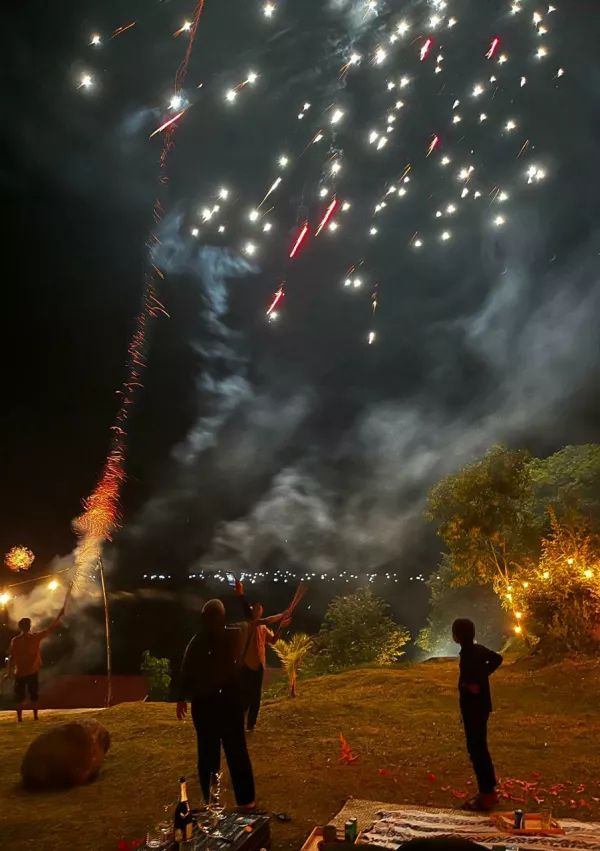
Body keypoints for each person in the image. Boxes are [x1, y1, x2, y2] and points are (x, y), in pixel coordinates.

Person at [176, 583, 256, 808]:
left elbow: (186, 671)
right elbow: (250, 620)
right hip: (230, 706)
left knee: (208, 758)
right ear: (222, 616)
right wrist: (240, 597)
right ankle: (246, 802)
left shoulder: (196, 642)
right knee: (237, 753)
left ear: (204, 617)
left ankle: (211, 803)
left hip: (206, 709)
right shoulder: (235, 635)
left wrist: (181, 698)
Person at [452, 618, 503, 811]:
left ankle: (487, 795)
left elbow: (472, 679)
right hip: (480, 707)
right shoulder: (477, 650)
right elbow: (498, 659)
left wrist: (474, 683)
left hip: (474, 707)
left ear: (456, 636)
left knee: (477, 750)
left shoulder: (469, 654)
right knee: (479, 748)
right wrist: (483, 675)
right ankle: (489, 792)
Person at [4, 606, 66, 722]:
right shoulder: (35, 637)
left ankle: (20, 719)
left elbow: (12, 657)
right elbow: (51, 628)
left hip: (20, 673)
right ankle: (35, 717)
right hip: (31, 672)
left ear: (20, 627)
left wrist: (9, 672)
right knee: (33, 696)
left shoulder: (16, 640)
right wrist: (59, 616)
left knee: (21, 697)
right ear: (29, 626)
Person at [241, 604, 290, 733]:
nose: (257, 610)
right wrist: (282, 615)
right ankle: (240, 721)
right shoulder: (250, 624)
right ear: (251, 611)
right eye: (255, 608)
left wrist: (281, 627)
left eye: (259, 609)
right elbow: (267, 620)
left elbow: (273, 641)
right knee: (246, 695)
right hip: (246, 665)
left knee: (256, 697)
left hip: (259, 665)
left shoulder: (262, 628)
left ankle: (250, 726)